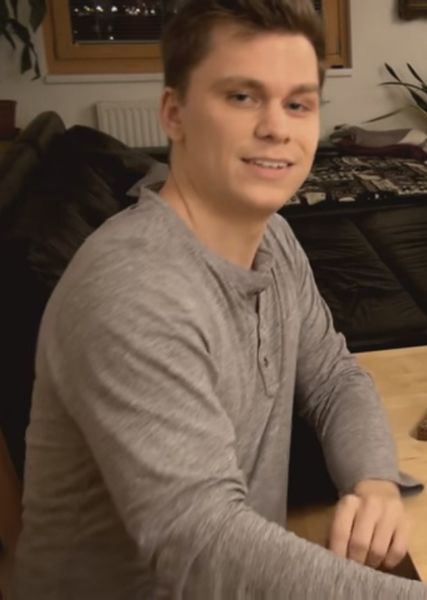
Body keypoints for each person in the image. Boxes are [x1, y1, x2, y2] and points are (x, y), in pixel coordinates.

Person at [12, 1, 427, 598]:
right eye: (242, 96)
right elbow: (203, 546)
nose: (277, 128)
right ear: (173, 113)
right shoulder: (131, 289)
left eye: (298, 104)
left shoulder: (274, 238)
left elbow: (334, 376)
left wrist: (373, 481)